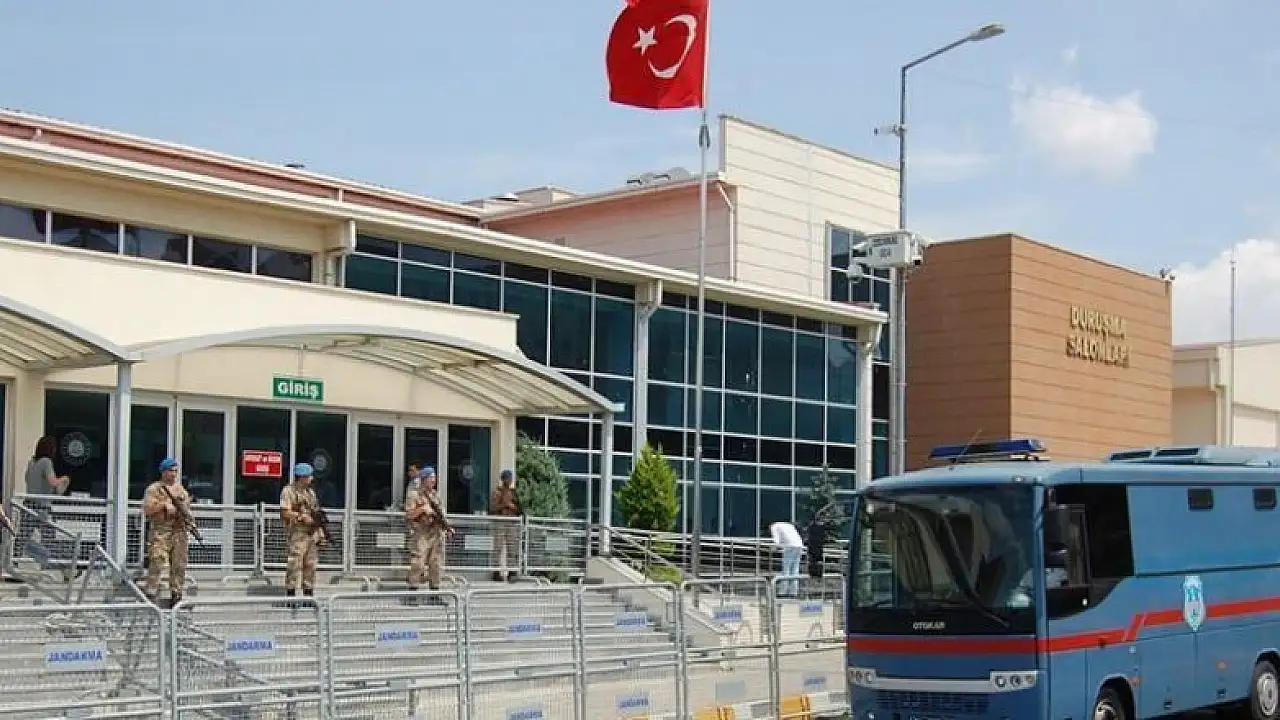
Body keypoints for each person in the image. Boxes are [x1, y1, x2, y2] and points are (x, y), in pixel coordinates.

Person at [142, 457, 192, 607]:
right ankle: (151, 592)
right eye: (170, 470)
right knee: (157, 560)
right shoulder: (154, 489)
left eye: (175, 471)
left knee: (179, 564)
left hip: (179, 531)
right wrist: (163, 505)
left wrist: (188, 518)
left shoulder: (180, 490)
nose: (173, 474)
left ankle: (176, 594)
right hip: (161, 530)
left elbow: (186, 509)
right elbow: (148, 509)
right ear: (163, 471)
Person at [20, 436, 71, 562]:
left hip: (28, 504)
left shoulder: (31, 462)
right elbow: (52, 482)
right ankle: (54, 563)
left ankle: (15, 560)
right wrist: (65, 479)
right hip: (42, 507)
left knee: (23, 536)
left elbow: (27, 479)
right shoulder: (46, 462)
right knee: (49, 537)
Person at [404, 466, 452, 602]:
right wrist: (423, 509)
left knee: (436, 564)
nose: (433, 480)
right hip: (421, 534)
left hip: (436, 533)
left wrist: (447, 527)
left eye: (434, 477)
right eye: (430, 478)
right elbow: (409, 515)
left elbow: (441, 515)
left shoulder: (436, 496)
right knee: (418, 563)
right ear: (424, 479)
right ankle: (412, 593)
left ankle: (434, 593)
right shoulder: (414, 495)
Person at [279, 463, 321, 602]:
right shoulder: (288, 491)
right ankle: (291, 595)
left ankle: (308, 596)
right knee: (294, 564)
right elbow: (284, 512)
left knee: (311, 565)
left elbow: (315, 512)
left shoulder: (310, 493)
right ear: (302, 477)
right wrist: (301, 517)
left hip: (311, 533)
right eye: (309, 476)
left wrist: (319, 530)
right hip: (297, 533)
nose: (311, 478)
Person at [489, 469, 522, 582]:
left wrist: (513, 507)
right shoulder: (497, 492)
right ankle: (496, 572)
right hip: (500, 521)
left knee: (512, 548)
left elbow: (520, 508)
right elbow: (493, 508)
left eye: (510, 478)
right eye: (507, 478)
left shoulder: (514, 492)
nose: (509, 480)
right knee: (497, 547)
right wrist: (505, 504)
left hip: (512, 522)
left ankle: (512, 572)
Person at [770, 520, 804, 598]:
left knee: (786, 569)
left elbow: (776, 541)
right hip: (799, 545)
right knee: (795, 569)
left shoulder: (774, 527)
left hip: (790, 546)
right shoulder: (788, 525)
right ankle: (793, 592)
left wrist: (774, 548)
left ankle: (783, 592)